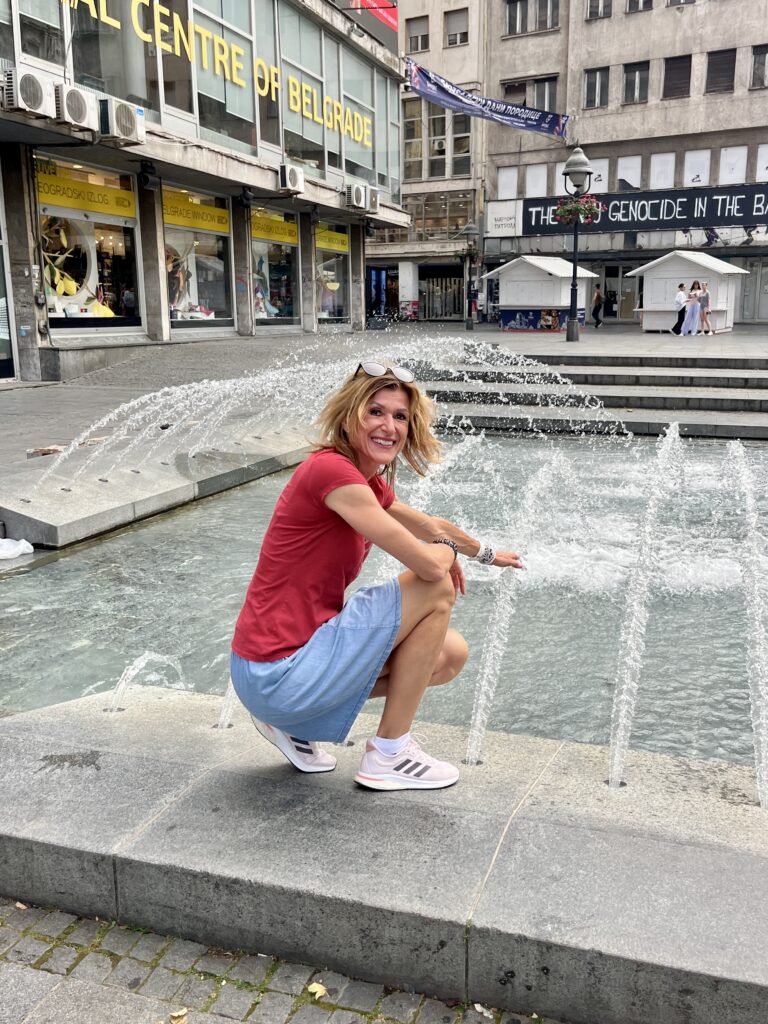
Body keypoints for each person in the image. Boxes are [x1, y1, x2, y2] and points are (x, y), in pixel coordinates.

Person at [230, 361, 524, 792]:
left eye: (400, 416)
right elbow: (429, 565)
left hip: (279, 675)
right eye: (376, 412)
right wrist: (445, 554)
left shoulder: (365, 481)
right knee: (436, 586)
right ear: (350, 417)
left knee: (449, 655)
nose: (389, 426)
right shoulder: (332, 473)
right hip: (276, 671)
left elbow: (429, 525)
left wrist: (486, 554)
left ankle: (289, 725)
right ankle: (389, 754)